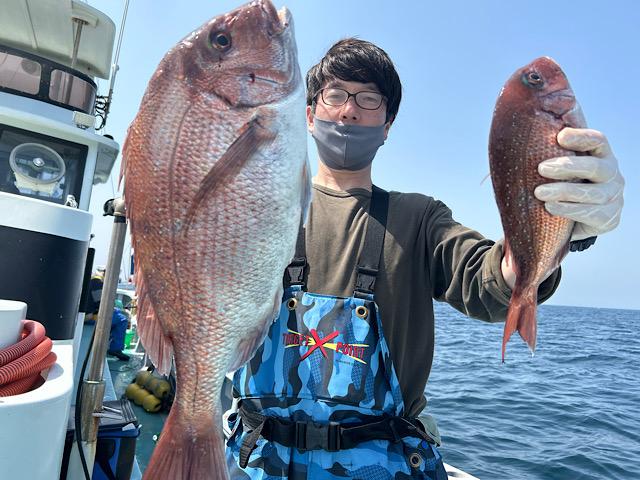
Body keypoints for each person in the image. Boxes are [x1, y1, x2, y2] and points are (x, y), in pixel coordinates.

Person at [225, 39, 625, 479]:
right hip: (256, 461)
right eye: (335, 95)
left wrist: (564, 225)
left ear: (387, 125)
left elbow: (486, 279)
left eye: (369, 99)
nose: (349, 111)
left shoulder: (419, 218)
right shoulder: (253, 209)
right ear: (309, 114)